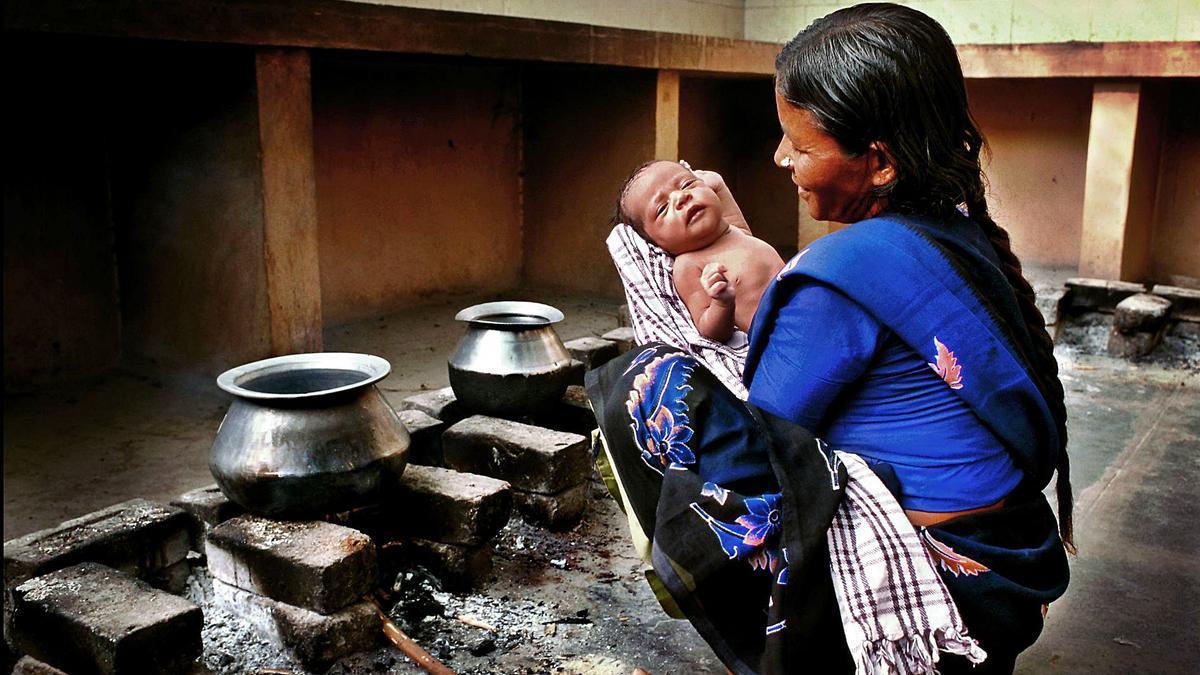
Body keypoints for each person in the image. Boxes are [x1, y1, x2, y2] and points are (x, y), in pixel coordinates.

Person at [587, 4, 1071, 674]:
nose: (779, 156)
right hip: (1014, 554)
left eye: (801, 144)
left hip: (953, 598)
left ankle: (785, 643)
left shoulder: (837, 274)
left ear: (876, 162)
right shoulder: (955, 224)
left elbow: (773, 434)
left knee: (640, 384)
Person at [616, 160, 784, 343]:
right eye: (662, 208)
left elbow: (722, 198)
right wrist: (721, 303)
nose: (681, 197)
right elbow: (709, 330)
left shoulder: (734, 232)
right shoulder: (689, 265)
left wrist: (718, 184)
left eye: (687, 184)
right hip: (779, 334)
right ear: (657, 243)